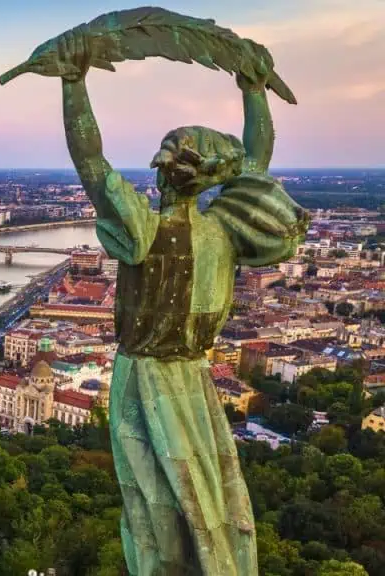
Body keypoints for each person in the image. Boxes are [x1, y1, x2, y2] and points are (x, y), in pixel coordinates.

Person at [58, 39, 310, 575]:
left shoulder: (142, 232)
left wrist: (73, 84)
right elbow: (256, 159)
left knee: (152, 503)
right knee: (210, 498)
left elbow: (91, 162)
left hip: (144, 379)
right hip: (195, 381)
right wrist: (254, 92)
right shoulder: (225, 232)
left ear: (160, 175)